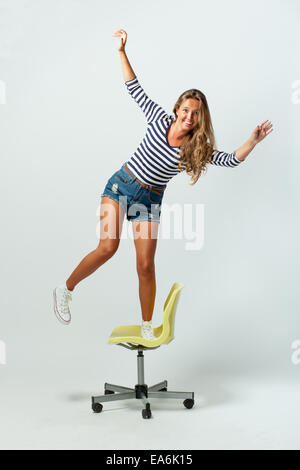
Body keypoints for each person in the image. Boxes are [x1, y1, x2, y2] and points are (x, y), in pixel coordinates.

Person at [53, 29, 273, 340]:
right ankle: (65, 288)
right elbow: (134, 87)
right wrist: (121, 52)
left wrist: (252, 140)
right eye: (186, 110)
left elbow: (230, 160)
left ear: (200, 118)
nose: (189, 116)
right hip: (121, 187)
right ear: (177, 109)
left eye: (195, 114)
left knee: (145, 265)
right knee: (107, 248)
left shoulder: (196, 148)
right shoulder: (158, 119)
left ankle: (146, 325)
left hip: (150, 202)